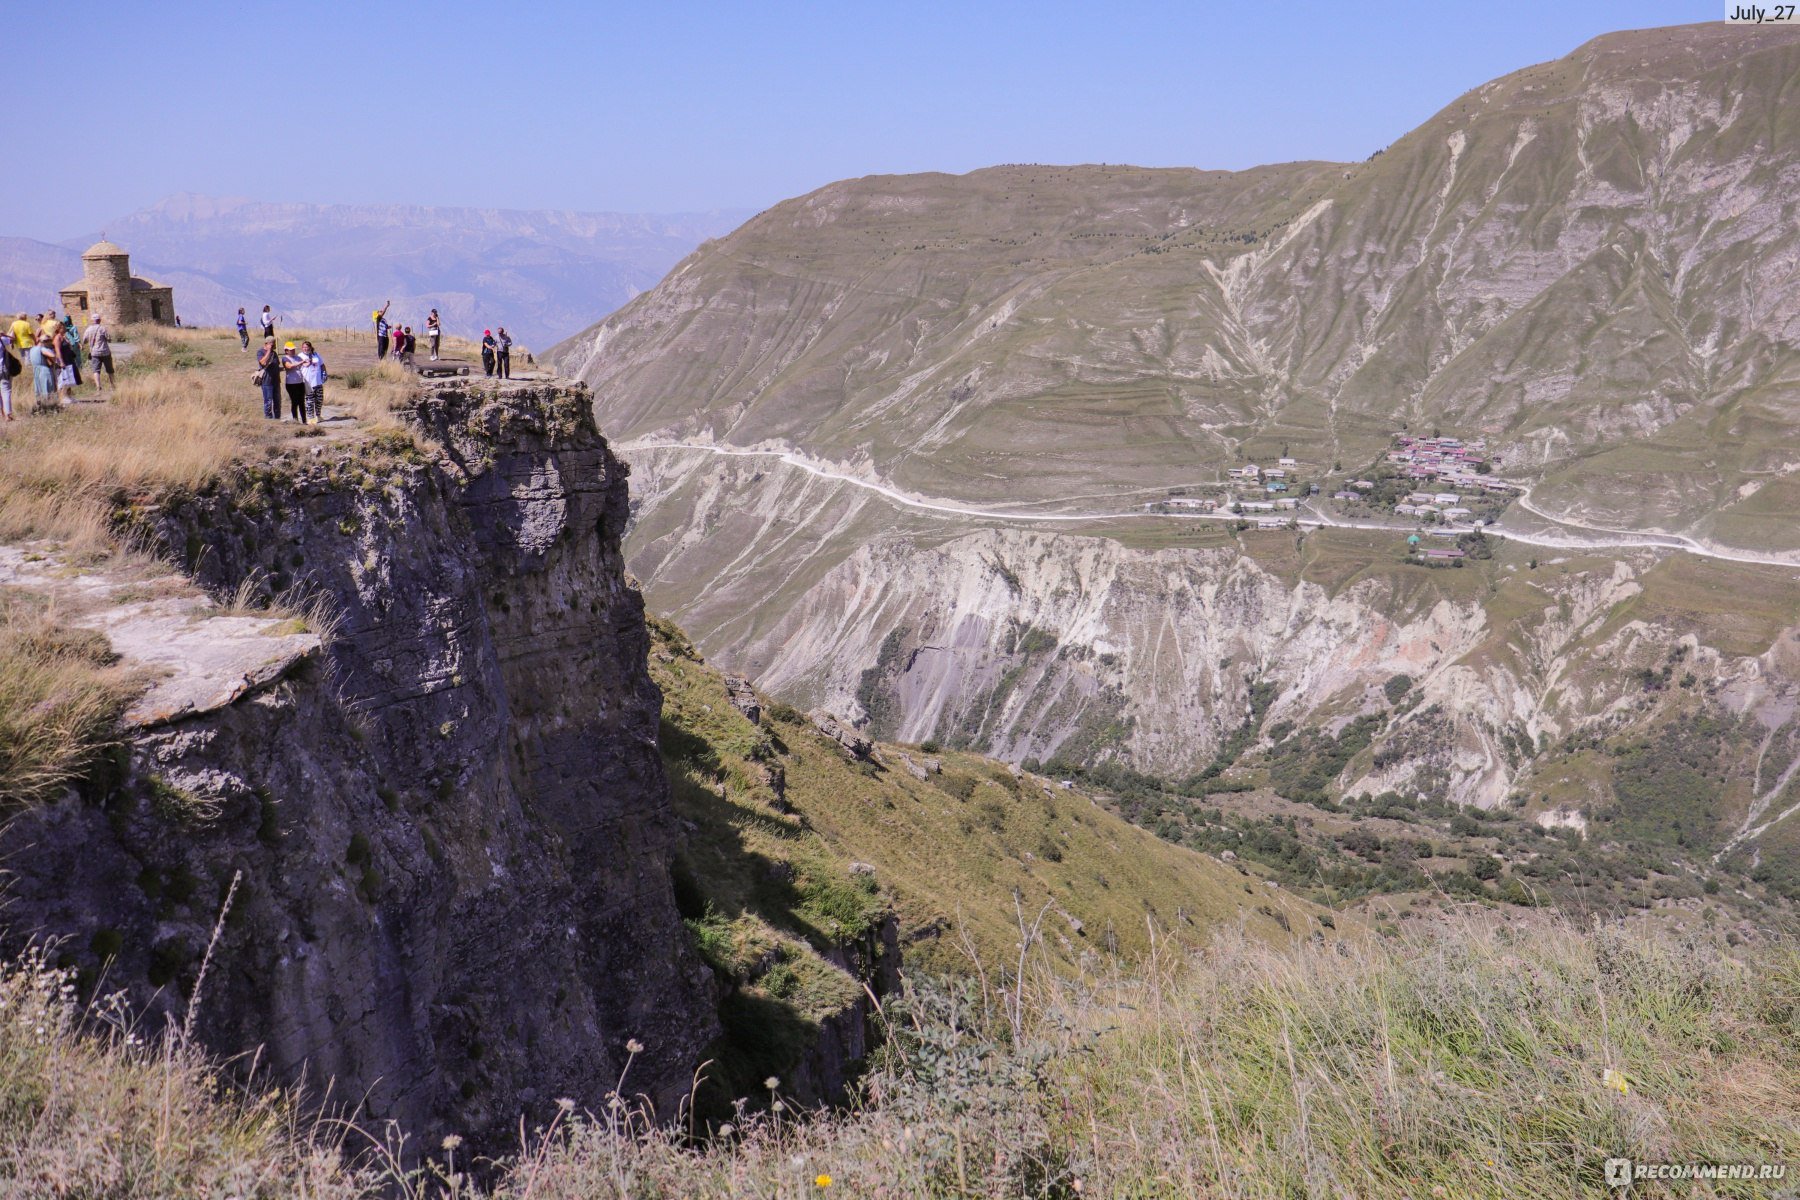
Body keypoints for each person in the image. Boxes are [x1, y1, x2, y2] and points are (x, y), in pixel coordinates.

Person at [81, 316, 113, 395]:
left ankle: (98, 387)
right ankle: (113, 386)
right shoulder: (103, 328)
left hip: (94, 353)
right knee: (109, 370)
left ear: (92, 321)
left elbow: (84, 340)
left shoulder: (88, 329)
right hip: (105, 351)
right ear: (99, 320)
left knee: (96, 370)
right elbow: (109, 339)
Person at [297, 339, 327, 422]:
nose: (306, 349)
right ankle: (310, 418)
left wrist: (324, 373)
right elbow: (304, 365)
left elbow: (322, 365)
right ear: (302, 348)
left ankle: (318, 416)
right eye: (304, 347)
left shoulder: (316, 355)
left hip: (318, 381)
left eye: (307, 347)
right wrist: (308, 361)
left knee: (319, 399)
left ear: (310, 347)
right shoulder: (300, 356)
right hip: (308, 382)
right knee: (310, 401)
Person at [280, 340, 307, 423]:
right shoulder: (285, 358)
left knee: (302, 402)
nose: (293, 351)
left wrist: (309, 362)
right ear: (286, 351)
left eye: (293, 349)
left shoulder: (297, 357)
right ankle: (295, 420)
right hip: (291, 384)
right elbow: (289, 366)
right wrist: (301, 362)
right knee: (295, 401)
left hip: (300, 383)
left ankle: (304, 421)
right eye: (291, 350)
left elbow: (305, 364)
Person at [255, 337, 282, 418]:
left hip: (276, 381)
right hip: (267, 381)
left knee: (277, 401)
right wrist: (269, 351)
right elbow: (263, 362)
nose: (274, 346)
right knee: (268, 401)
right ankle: (268, 418)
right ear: (266, 344)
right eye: (272, 344)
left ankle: (277, 418)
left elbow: (277, 366)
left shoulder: (274, 353)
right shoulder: (260, 352)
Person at [29, 335, 57, 412]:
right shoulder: (42, 348)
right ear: (45, 342)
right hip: (44, 370)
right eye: (49, 341)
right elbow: (52, 355)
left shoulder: (32, 349)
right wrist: (53, 359)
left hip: (35, 370)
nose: (50, 343)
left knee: (38, 389)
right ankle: (49, 407)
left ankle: (40, 407)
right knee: (48, 388)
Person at [0, 328, 17, 421]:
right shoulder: (2, 340)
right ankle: (8, 414)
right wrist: (4, 334)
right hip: (2, 369)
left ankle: (1, 413)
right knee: (6, 391)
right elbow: (13, 339)